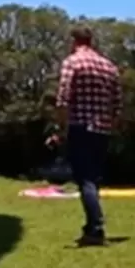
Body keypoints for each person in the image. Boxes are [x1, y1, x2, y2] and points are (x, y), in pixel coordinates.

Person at [47, 26, 122, 247]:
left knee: (84, 179)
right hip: (102, 129)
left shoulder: (73, 62)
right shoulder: (109, 66)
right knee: (93, 178)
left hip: (80, 126)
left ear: (74, 40)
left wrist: (60, 130)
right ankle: (92, 226)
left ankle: (95, 228)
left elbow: (63, 99)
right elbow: (118, 105)